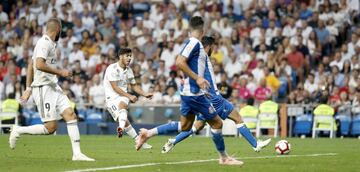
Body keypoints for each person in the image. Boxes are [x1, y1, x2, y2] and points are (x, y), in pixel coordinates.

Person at [136, 36, 271, 155]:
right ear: (209, 47)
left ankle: (168, 139)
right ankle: (255, 145)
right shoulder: (202, 56)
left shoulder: (197, 60)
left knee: (195, 126)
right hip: (213, 98)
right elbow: (183, 63)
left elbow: (184, 66)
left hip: (204, 98)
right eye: (213, 47)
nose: (214, 50)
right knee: (237, 118)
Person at [138, 17, 243, 166]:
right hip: (195, 94)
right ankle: (224, 158)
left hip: (189, 93)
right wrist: (197, 78)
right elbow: (179, 62)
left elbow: (184, 64)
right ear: (203, 30)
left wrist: (191, 78)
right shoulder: (195, 43)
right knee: (217, 123)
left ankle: (148, 133)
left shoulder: (193, 44)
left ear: (189, 30)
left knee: (186, 126)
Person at [9, 18, 94, 161]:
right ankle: (18, 130)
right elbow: (39, 64)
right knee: (50, 127)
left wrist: (28, 87)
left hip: (53, 86)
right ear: (58, 30)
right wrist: (60, 72)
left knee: (71, 115)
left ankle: (77, 154)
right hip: (43, 88)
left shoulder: (50, 44)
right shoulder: (44, 43)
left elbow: (31, 65)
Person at [103, 47, 152, 149]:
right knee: (126, 122)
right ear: (120, 56)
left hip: (122, 96)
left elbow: (134, 86)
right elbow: (115, 87)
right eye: (127, 56)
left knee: (123, 105)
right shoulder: (112, 68)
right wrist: (130, 96)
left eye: (130, 56)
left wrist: (144, 94)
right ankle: (138, 141)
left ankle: (120, 128)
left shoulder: (129, 70)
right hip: (111, 99)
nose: (130, 58)